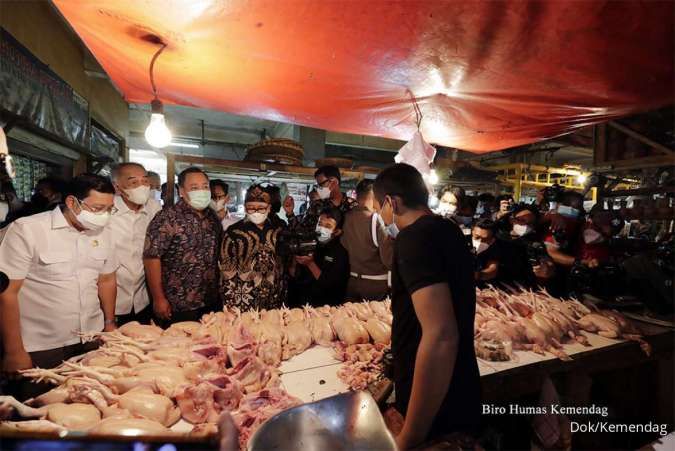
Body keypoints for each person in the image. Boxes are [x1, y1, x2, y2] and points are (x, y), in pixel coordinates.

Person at [373, 163, 480, 449]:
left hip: (435, 404)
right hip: (459, 383)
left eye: (378, 208)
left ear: (391, 202)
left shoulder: (413, 238)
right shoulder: (449, 230)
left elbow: (441, 336)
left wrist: (410, 435)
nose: (379, 217)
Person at [0, 174, 118, 400]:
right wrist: (14, 351)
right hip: (42, 345)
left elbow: (106, 279)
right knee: (37, 410)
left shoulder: (105, 233)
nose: (104, 216)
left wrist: (109, 323)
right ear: (73, 203)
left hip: (90, 340)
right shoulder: (28, 230)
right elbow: (7, 293)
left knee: (88, 404)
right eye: (98, 208)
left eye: (110, 209)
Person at [144, 167, 222, 326]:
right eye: (194, 188)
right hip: (177, 303)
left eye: (205, 186)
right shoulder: (168, 217)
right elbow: (151, 258)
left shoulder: (213, 217)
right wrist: (158, 298)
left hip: (209, 300)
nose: (201, 191)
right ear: (181, 191)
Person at [108, 163, 161, 326]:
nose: (142, 186)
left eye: (145, 181)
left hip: (142, 299)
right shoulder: (106, 210)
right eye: (134, 183)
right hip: (111, 300)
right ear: (117, 187)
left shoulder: (154, 208)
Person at [220, 185, 286, 311]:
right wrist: (229, 303)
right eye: (251, 208)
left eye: (261, 208)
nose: (256, 211)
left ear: (269, 208)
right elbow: (226, 271)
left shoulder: (278, 230)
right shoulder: (234, 232)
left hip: (274, 298)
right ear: (245, 208)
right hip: (243, 300)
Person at [341, 179, 393, 301]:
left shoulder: (347, 217)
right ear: (374, 195)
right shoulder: (375, 219)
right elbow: (388, 260)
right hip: (375, 285)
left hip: (352, 281)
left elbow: (344, 244)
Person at [289, 207, 350, 306]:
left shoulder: (340, 254)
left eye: (328, 226)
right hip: (304, 303)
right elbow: (294, 274)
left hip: (326, 308)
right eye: (320, 224)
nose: (322, 229)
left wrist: (310, 264)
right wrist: (295, 259)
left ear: (337, 231)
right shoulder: (310, 244)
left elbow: (330, 285)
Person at [495, 204, 555, 288]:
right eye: (522, 220)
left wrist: (547, 270)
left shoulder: (534, 243)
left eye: (530, 223)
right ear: (511, 219)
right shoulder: (496, 236)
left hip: (518, 291)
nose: (525, 225)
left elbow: (547, 262)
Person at [284, 165, 357, 233]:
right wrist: (290, 213)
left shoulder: (353, 206)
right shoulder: (317, 205)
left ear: (334, 182)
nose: (318, 189)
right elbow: (301, 230)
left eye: (320, 185)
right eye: (317, 186)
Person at [471, 219, 500, 286]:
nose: (480, 242)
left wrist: (478, 275)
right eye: (477, 237)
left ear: (492, 240)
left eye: (485, 240)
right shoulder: (459, 244)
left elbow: (493, 269)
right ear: (472, 232)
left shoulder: (494, 249)